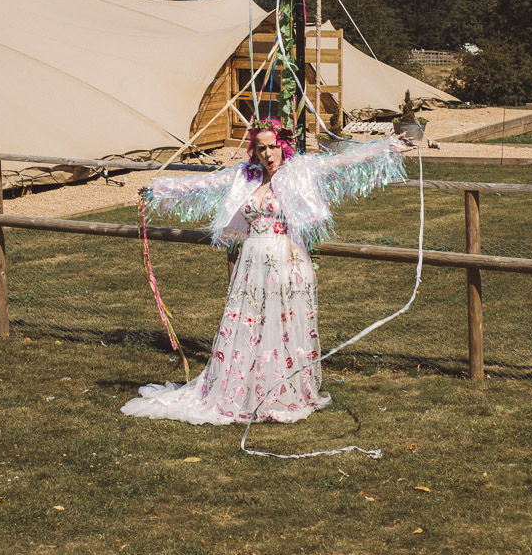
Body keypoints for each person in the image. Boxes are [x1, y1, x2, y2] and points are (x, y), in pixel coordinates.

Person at [121, 119, 410, 425]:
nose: (268, 154)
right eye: (261, 148)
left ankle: (280, 392)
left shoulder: (299, 172)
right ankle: (244, 390)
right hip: (251, 264)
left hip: (287, 262)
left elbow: (341, 161)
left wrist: (388, 147)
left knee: (281, 327)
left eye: (273, 146)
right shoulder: (245, 177)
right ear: (254, 151)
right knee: (249, 326)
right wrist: (157, 189)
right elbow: (204, 185)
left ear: (283, 146)